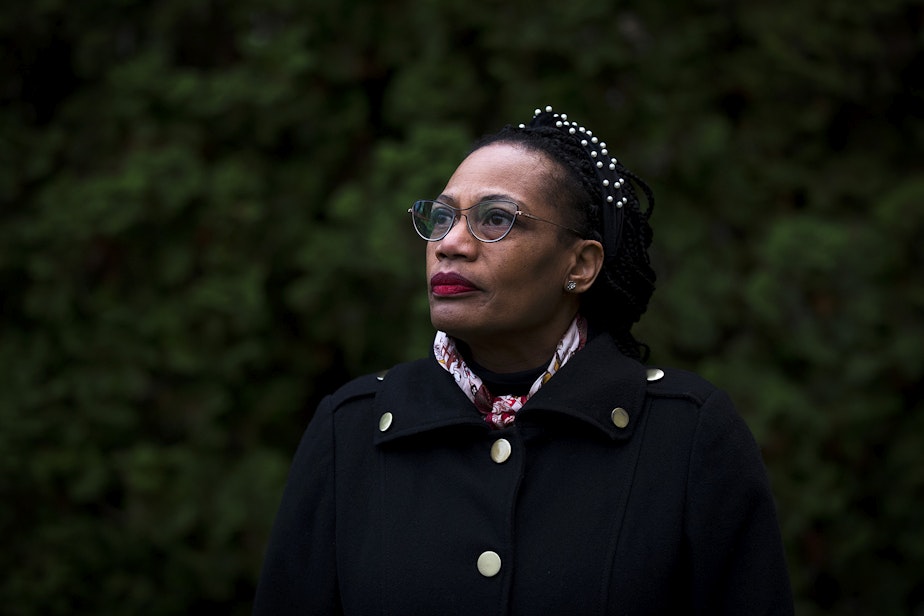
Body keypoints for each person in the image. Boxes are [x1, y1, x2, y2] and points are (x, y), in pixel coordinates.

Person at [253, 106, 794, 615]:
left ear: (580, 264)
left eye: (495, 220)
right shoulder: (350, 428)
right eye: (441, 218)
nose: (451, 243)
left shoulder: (689, 433)